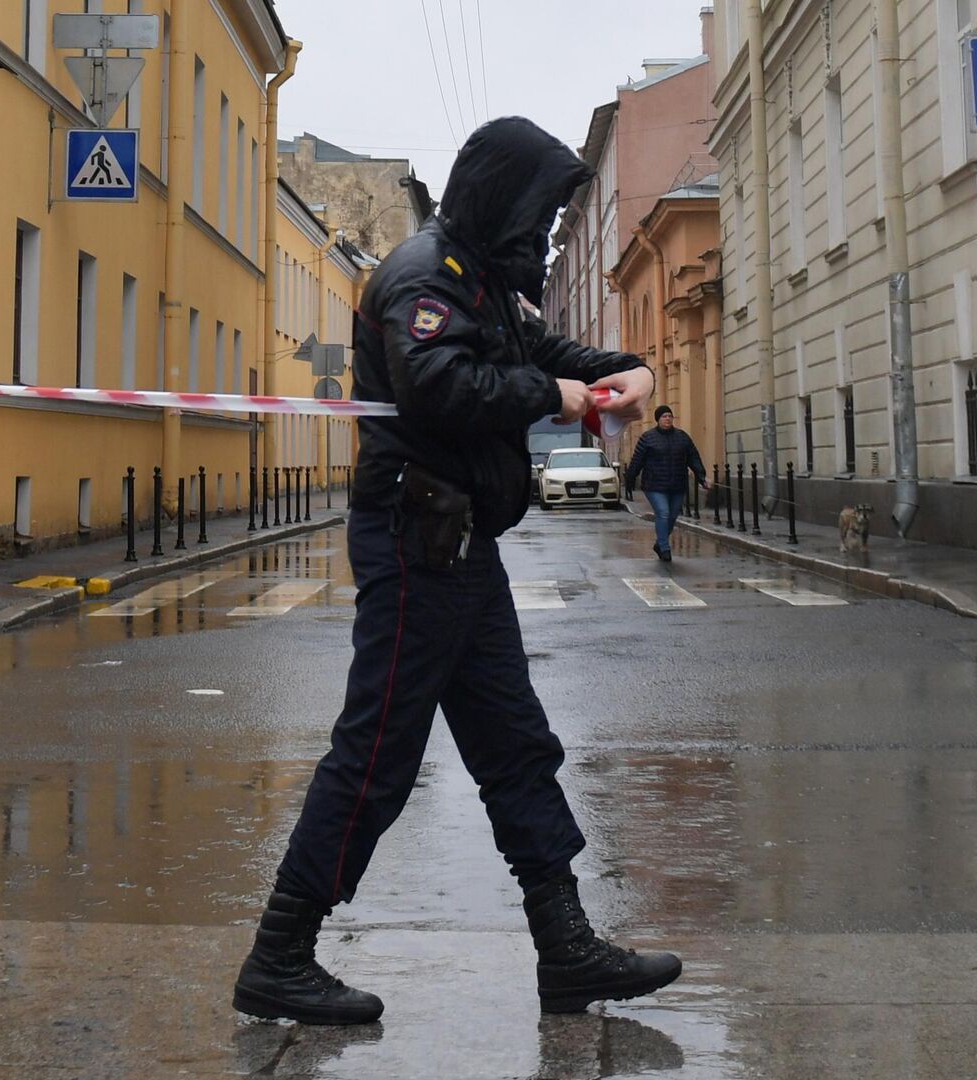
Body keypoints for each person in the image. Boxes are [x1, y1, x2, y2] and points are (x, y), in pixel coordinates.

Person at [232, 117, 680, 1025]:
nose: (549, 229)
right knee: (377, 755)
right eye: (545, 209)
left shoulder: (475, 279)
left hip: (461, 546)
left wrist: (619, 368)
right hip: (415, 537)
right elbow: (435, 382)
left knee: (516, 746)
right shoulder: (422, 276)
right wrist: (549, 397)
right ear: (503, 195)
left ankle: (567, 950)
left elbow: (541, 352)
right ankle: (280, 955)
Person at [623, 406, 707, 562]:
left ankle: (659, 543)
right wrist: (630, 479)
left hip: (677, 484)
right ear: (658, 419)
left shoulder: (682, 438)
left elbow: (693, 457)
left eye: (670, 416)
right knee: (663, 512)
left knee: (673, 515)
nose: (667, 419)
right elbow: (637, 461)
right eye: (664, 416)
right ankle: (664, 547)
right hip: (654, 485)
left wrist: (701, 477)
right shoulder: (648, 438)